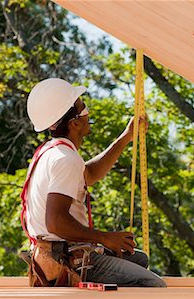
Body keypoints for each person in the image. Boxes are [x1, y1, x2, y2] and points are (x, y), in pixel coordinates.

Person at [23, 78, 166, 288]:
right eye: (84, 107)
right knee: (153, 285)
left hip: (56, 253)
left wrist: (126, 137)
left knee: (140, 259)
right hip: (68, 260)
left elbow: (88, 174)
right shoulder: (65, 160)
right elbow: (56, 222)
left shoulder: (53, 153)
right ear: (75, 123)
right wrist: (105, 238)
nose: (88, 111)